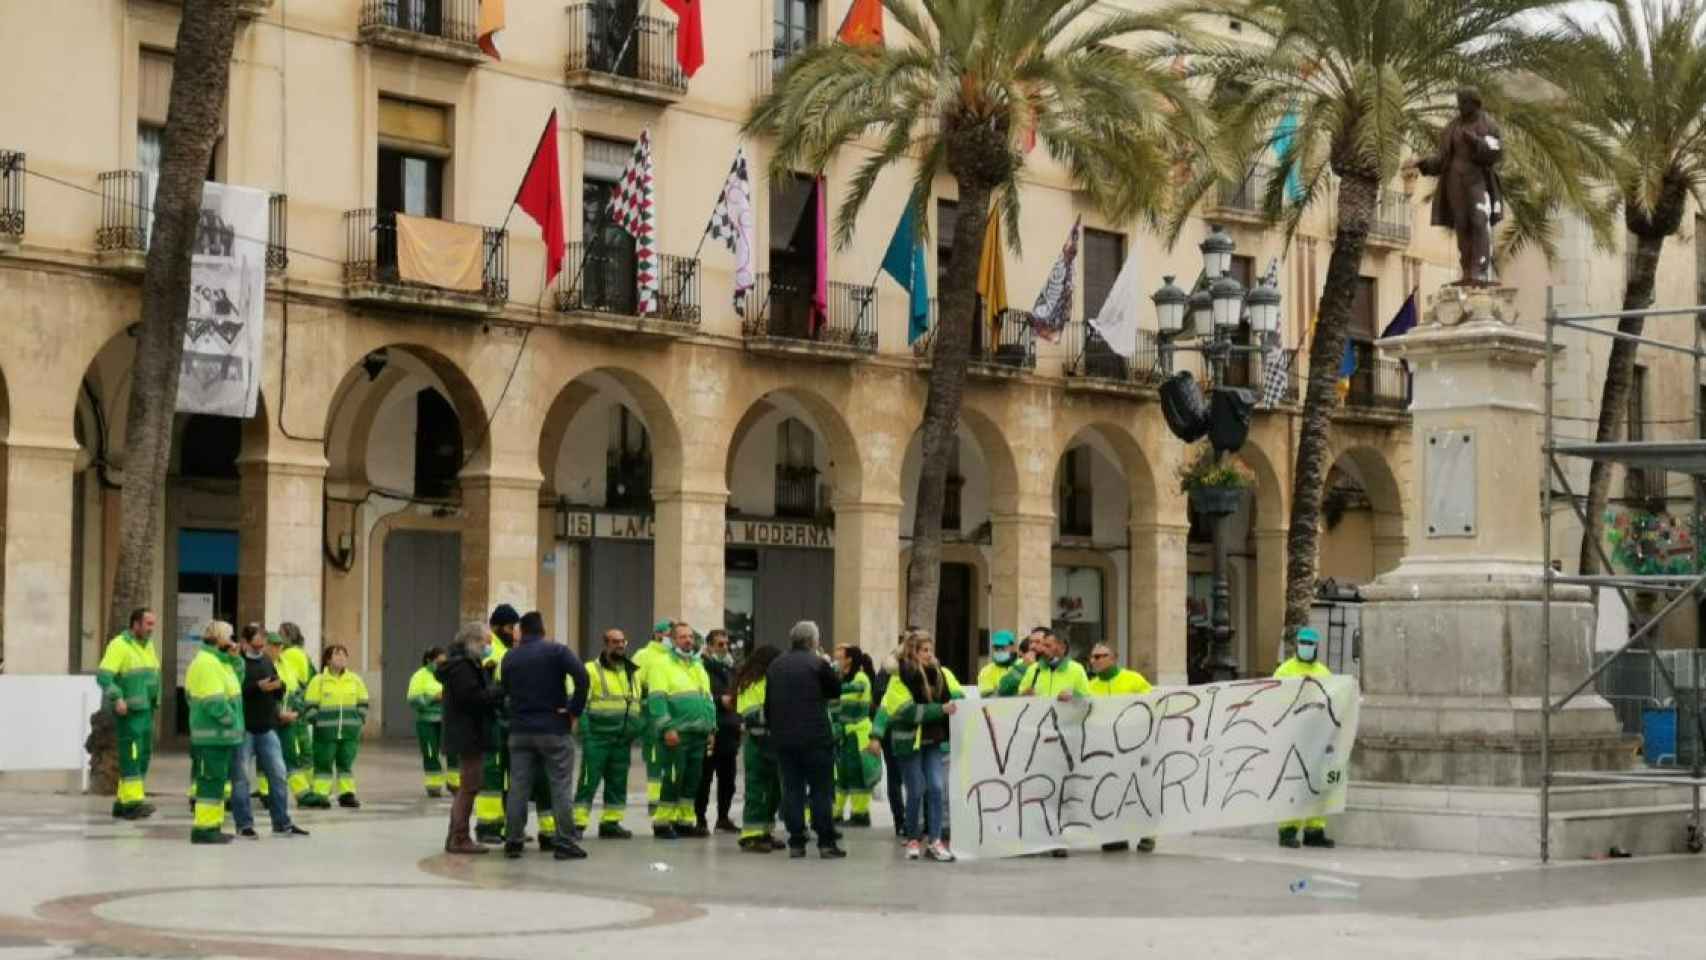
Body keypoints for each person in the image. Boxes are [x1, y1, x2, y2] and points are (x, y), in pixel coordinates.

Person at [500, 611, 590, 861]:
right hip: (553, 728)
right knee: (560, 786)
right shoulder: (557, 651)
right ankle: (565, 842)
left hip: (519, 731)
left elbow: (505, 690)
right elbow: (582, 677)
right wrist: (574, 711)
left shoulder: (510, 656)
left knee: (518, 787)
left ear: (522, 631)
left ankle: (513, 841)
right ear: (542, 629)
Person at [870, 630, 963, 862]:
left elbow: (953, 698)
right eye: (924, 650)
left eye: (931, 650)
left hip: (933, 740)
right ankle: (912, 838)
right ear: (913, 651)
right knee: (916, 790)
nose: (929, 655)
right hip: (908, 741)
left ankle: (935, 841)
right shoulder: (899, 677)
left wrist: (956, 705)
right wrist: (876, 736)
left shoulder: (939, 673)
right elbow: (903, 710)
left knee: (936, 787)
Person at [766, 620, 847, 859]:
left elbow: (768, 704)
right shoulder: (818, 663)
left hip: (784, 740)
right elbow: (836, 690)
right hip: (816, 739)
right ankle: (825, 842)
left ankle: (797, 842)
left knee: (792, 791)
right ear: (813, 641)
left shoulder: (776, 665)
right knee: (821, 791)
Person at [1409, 87, 1504, 285]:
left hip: (1478, 179)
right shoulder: (1452, 128)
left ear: (1474, 103)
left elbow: (1497, 151)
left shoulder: (1488, 124)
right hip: (1454, 179)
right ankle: (1467, 269)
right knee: (1461, 224)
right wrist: (1425, 163)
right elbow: (1442, 159)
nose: (1460, 106)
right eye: (1459, 102)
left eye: (1464, 102)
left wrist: (1477, 142)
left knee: (1478, 221)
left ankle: (1479, 267)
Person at [229, 623, 309, 839]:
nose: (261, 644)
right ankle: (244, 824)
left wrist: (278, 687)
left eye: (262, 639)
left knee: (279, 774)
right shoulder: (238, 663)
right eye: (256, 640)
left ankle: (281, 823)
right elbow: (235, 692)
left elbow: (277, 691)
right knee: (241, 779)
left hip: (267, 727)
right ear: (245, 642)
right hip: (244, 728)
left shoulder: (266, 661)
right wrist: (257, 687)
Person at [646, 622, 716, 839]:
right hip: (676, 733)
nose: (688, 640)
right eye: (682, 637)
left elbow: (708, 699)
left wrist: (712, 728)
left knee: (692, 779)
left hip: (699, 733)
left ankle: (685, 821)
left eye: (690, 637)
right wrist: (667, 727)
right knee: (673, 778)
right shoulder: (662, 664)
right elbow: (657, 700)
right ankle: (662, 822)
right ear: (673, 640)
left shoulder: (697, 665)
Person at [575, 628, 644, 839]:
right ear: (605, 644)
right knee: (588, 782)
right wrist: (586, 734)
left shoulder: (633, 671)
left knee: (617, 783)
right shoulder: (590, 669)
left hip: (622, 739)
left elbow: (637, 702)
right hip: (597, 737)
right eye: (615, 642)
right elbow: (581, 705)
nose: (620, 645)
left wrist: (634, 729)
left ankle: (611, 823)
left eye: (623, 641)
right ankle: (578, 824)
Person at [440, 621, 500, 854]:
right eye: (486, 643)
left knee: (468, 786)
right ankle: (459, 837)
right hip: (468, 735)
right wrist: (497, 690)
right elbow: (473, 698)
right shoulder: (462, 667)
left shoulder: (464, 665)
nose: (488, 647)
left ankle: (455, 835)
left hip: (467, 733)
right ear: (473, 642)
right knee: (469, 787)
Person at [1087, 642, 1152, 853]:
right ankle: (1116, 835)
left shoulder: (1133, 679)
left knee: (1139, 789)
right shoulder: (1090, 686)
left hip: (1135, 745)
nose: (1095, 660)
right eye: (1093, 657)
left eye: (1100, 656)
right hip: (1106, 748)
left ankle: (1147, 834)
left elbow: (1153, 703)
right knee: (1112, 789)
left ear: (1114, 657)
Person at [97, 607, 161, 820]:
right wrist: (117, 698)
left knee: (142, 756)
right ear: (135, 624)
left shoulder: (148, 645)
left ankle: (124, 803)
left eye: (153, 624)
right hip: (130, 713)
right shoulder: (119, 645)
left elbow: (153, 674)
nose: (152, 628)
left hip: (146, 711)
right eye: (148, 624)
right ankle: (133, 803)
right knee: (131, 757)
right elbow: (104, 676)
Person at [1275, 627, 1336, 849]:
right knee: (1294, 784)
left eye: (1310, 644)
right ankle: (1287, 831)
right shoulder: (1284, 671)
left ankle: (1314, 830)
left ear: (1316, 646)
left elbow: (1333, 700)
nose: (1306, 647)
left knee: (1317, 782)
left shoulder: (1324, 672)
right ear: (1297, 645)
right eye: (1303, 643)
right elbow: (1275, 699)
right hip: (1294, 736)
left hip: (1317, 736)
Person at [185, 620, 243, 844]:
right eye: (229, 637)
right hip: (213, 735)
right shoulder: (207, 663)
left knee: (217, 782)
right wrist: (231, 721)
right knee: (210, 782)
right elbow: (214, 702)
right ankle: (205, 829)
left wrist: (235, 657)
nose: (233, 641)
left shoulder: (219, 662)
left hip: (220, 736)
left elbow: (238, 679)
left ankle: (212, 825)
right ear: (219, 638)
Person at [475, 604, 521, 843]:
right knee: (492, 775)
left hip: (505, 721)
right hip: (493, 720)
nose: (514, 631)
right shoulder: (492, 650)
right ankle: (487, 827)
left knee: (506, 777)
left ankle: (503, 826)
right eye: (510, 626)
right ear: (497, 627)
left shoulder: (506, 650)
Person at [302, 644, 368, 809]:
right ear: (328, 659)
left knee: (345, 764)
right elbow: (310, 705)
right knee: (323, 765)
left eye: (344, 655)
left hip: (349, 733)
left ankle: (347, 795)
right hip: (325, 733)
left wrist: (359, 719)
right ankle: (321, 795)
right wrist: (316, 721)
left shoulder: (355, 680)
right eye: (337, 655)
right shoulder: (318, 681)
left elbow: (363, 702)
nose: (341, 658)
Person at [734, 645, 783, 852]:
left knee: (774, 791)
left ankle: (765, 831)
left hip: (774, 743)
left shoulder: (773, 682)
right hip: (758, 743)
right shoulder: (749, 684)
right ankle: (751, 835)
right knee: (758, 790)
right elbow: (752, 715)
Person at [695, 629, 741, 835]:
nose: (724, 648)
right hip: (711, 730)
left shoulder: (731, 668)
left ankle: (723, 817)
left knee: (728, 780)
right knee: (704, 778)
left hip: (730, 729)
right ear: (710, 646)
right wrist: (718, 699)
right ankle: (700, 818)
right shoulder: (701, 667)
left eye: (726, 643)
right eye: (720, 644)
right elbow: (699, 694)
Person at [263, 631, 313, 802]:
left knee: (290, 757)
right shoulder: (261, 666)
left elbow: (295, 692)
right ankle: (266, 793)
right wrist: (278, 714)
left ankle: (302, 794)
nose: (276, 649)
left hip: (286, 721)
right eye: (273, 645)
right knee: (265, 759)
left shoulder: (286, 665)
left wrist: (297, 710)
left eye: (279, 646)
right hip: (266, 721)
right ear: (265, 646)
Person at [631, 619, 674, 818]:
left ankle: (670, 798)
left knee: (675, 759)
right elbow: (634, 684)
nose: (670, 639)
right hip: (652, 715)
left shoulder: (676, 656)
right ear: (657, 634)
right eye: (668, 634)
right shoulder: (643, 655)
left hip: (675, 713)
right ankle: (655, 801)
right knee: (655, 760)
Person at [831, 644, 875, 827]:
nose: (836, 661)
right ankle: (836, 813)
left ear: (849, 659)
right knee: (841, 774)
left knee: (857, 774)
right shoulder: (841, 677)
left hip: (858, 735)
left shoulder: (861, 678)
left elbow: (849, 690)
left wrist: (828, 683)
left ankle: (860, 814)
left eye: (839, 657)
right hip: (843, 734)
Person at [275, 622, 317, 802]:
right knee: (302, 748)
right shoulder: (302, 653)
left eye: (280, 634)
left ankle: (307, 788)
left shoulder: (290, 655)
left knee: (297, 750)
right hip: (301, 705)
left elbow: (288, 682)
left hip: (293, 707)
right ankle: (310, 786)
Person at [869, 645, 907, 838]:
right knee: (898, 777)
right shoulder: (889, 673)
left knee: (897, 777)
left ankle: (902, 821)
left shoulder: (886, 672)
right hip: (892, 732)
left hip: (896, 732)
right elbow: (880, 702)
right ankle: (902, 820)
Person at [406, 647, 449, 797]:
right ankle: (434, 785)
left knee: (453, 753)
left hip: (448, 720)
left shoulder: (449, 675)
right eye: (439, 662)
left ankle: (455, 783)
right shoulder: (419, 676)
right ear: (429, 661)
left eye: (445, 662)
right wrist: (433, 698)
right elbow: (413, 700)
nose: (442, 665)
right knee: (430, 752)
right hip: (427, 722)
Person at [1018, 627, 1090, 702]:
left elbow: (1087, 700)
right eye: (1043, 645)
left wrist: (1074, 695)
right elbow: (1017, 699)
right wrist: (1024, 695)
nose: (1044, 650)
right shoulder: (1033, 668)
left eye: (1048, 646)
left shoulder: (1077, 669)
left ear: (1063, 647)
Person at [976, 630, 1028, 697]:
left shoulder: (1024, 663)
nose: (999, 651)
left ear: (1013, 647)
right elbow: (986, 696)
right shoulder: (986, 671)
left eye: (1003, 647)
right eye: (996, 648)